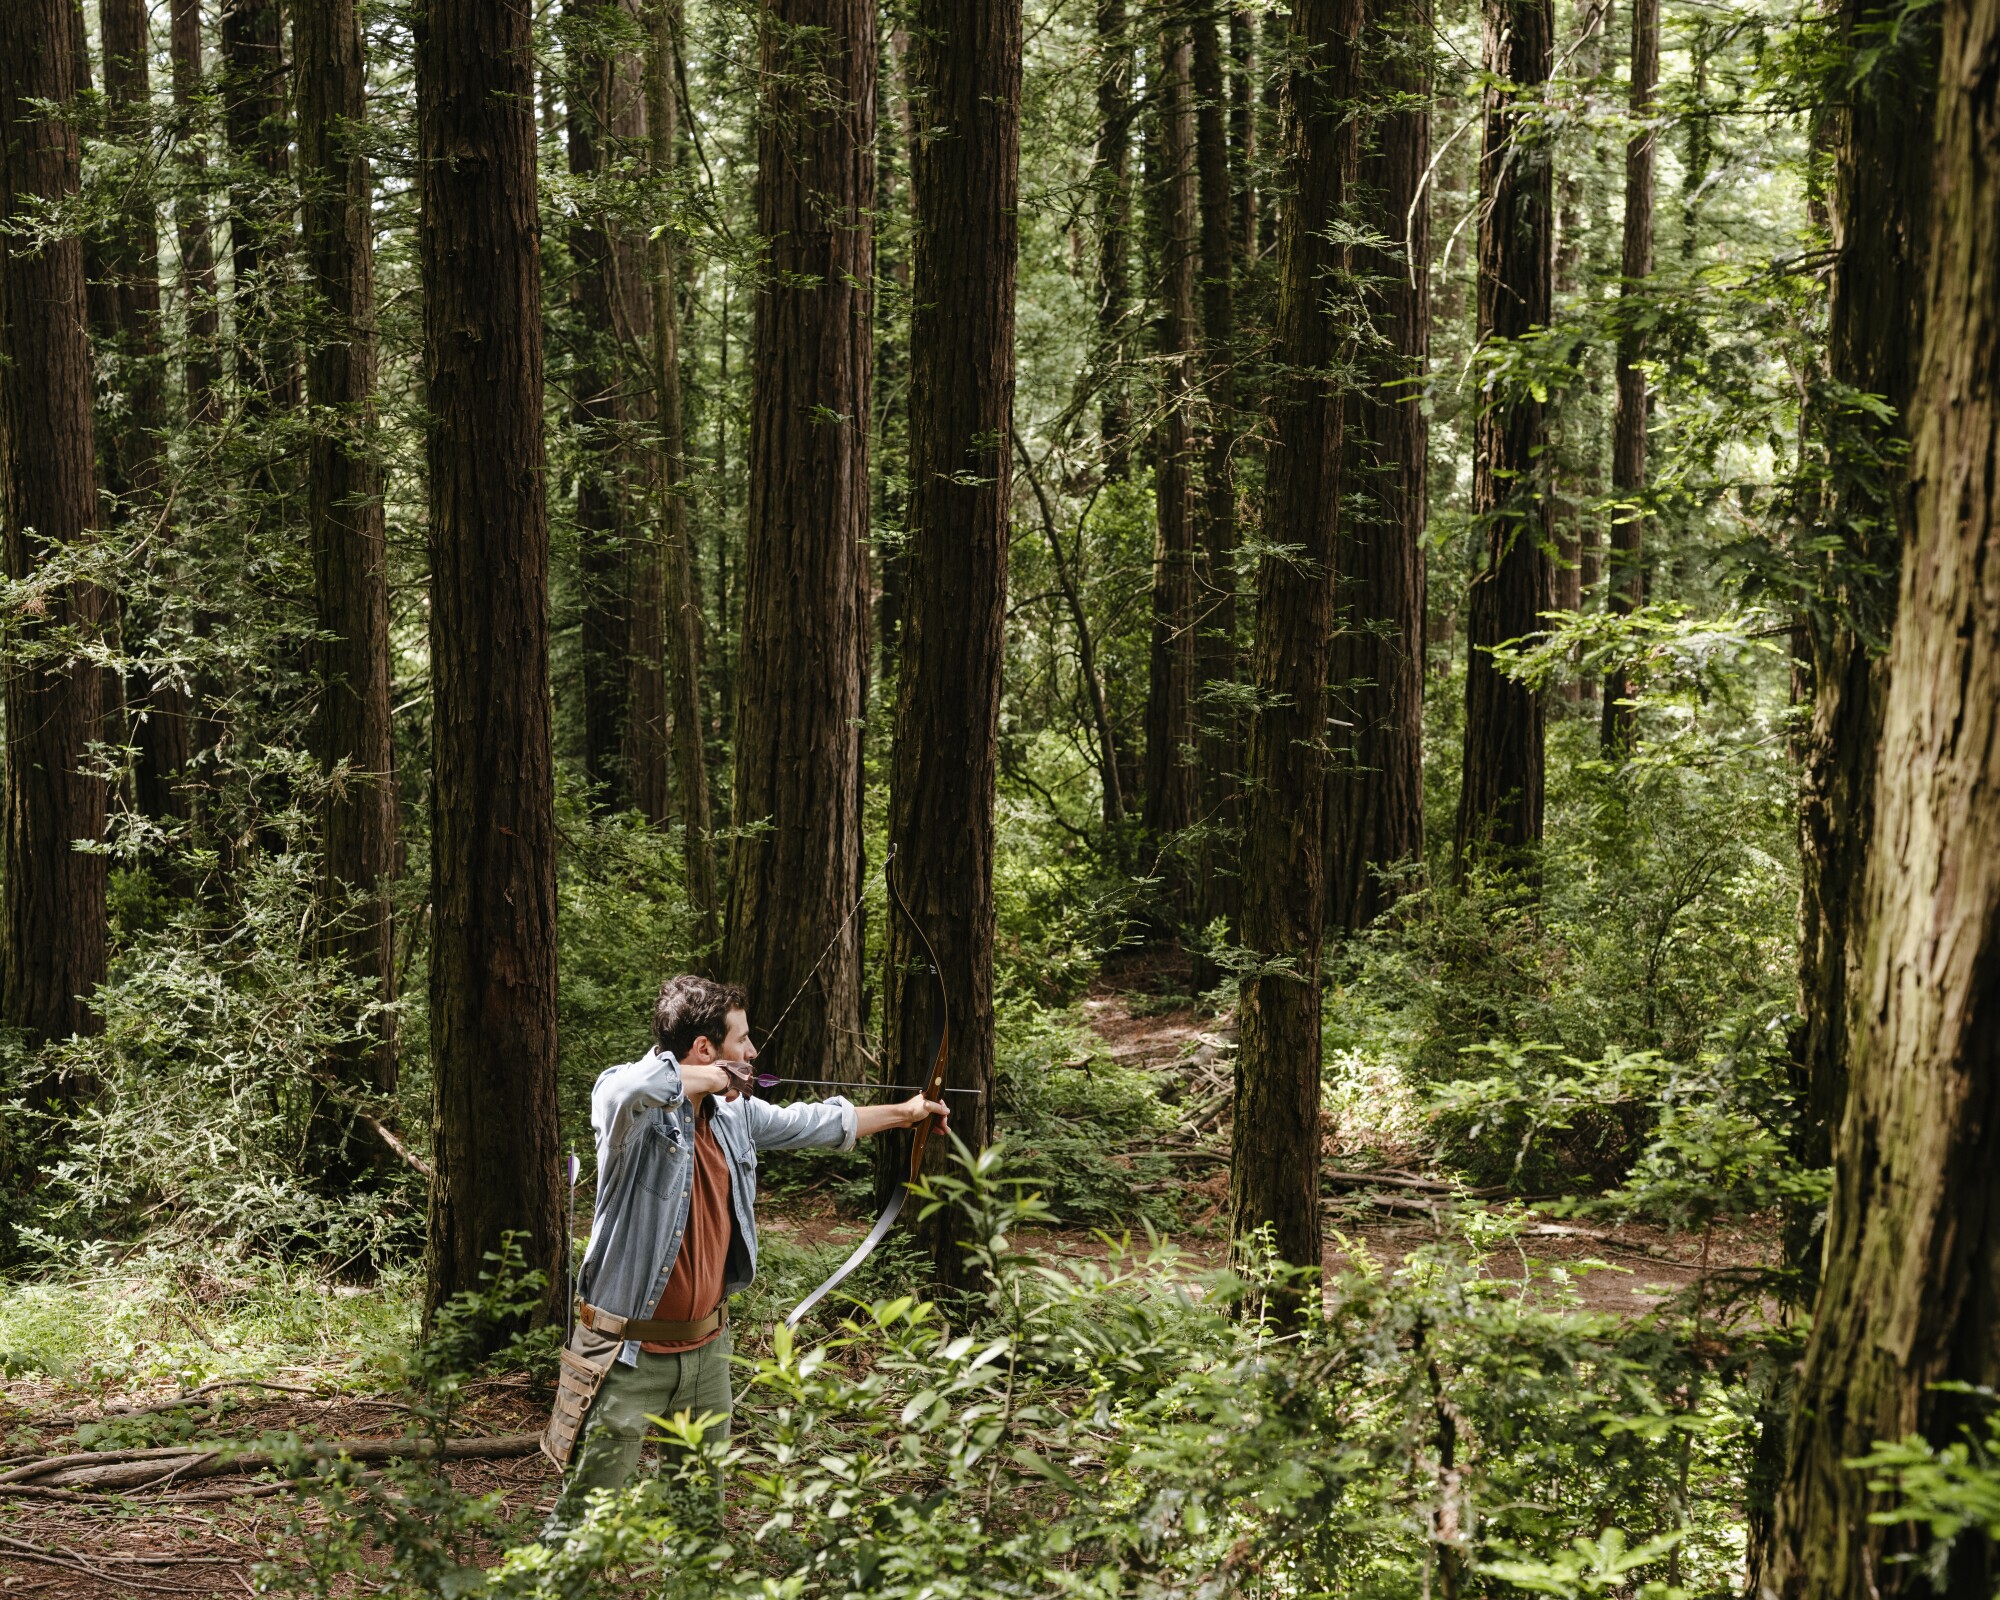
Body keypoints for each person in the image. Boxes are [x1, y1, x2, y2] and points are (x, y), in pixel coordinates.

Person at [541, 973, 946, 1538]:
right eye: (742, 1041)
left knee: (699, 1522)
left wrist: (907, 1114)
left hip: (707, 1355)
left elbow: (819, 1122)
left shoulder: (735, 1117)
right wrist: (705, 1079)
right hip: (626, 1354)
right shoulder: (634, 1116)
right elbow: (620, 1090)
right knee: (584, 1523)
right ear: (706, 1049)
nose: (754, 1052)